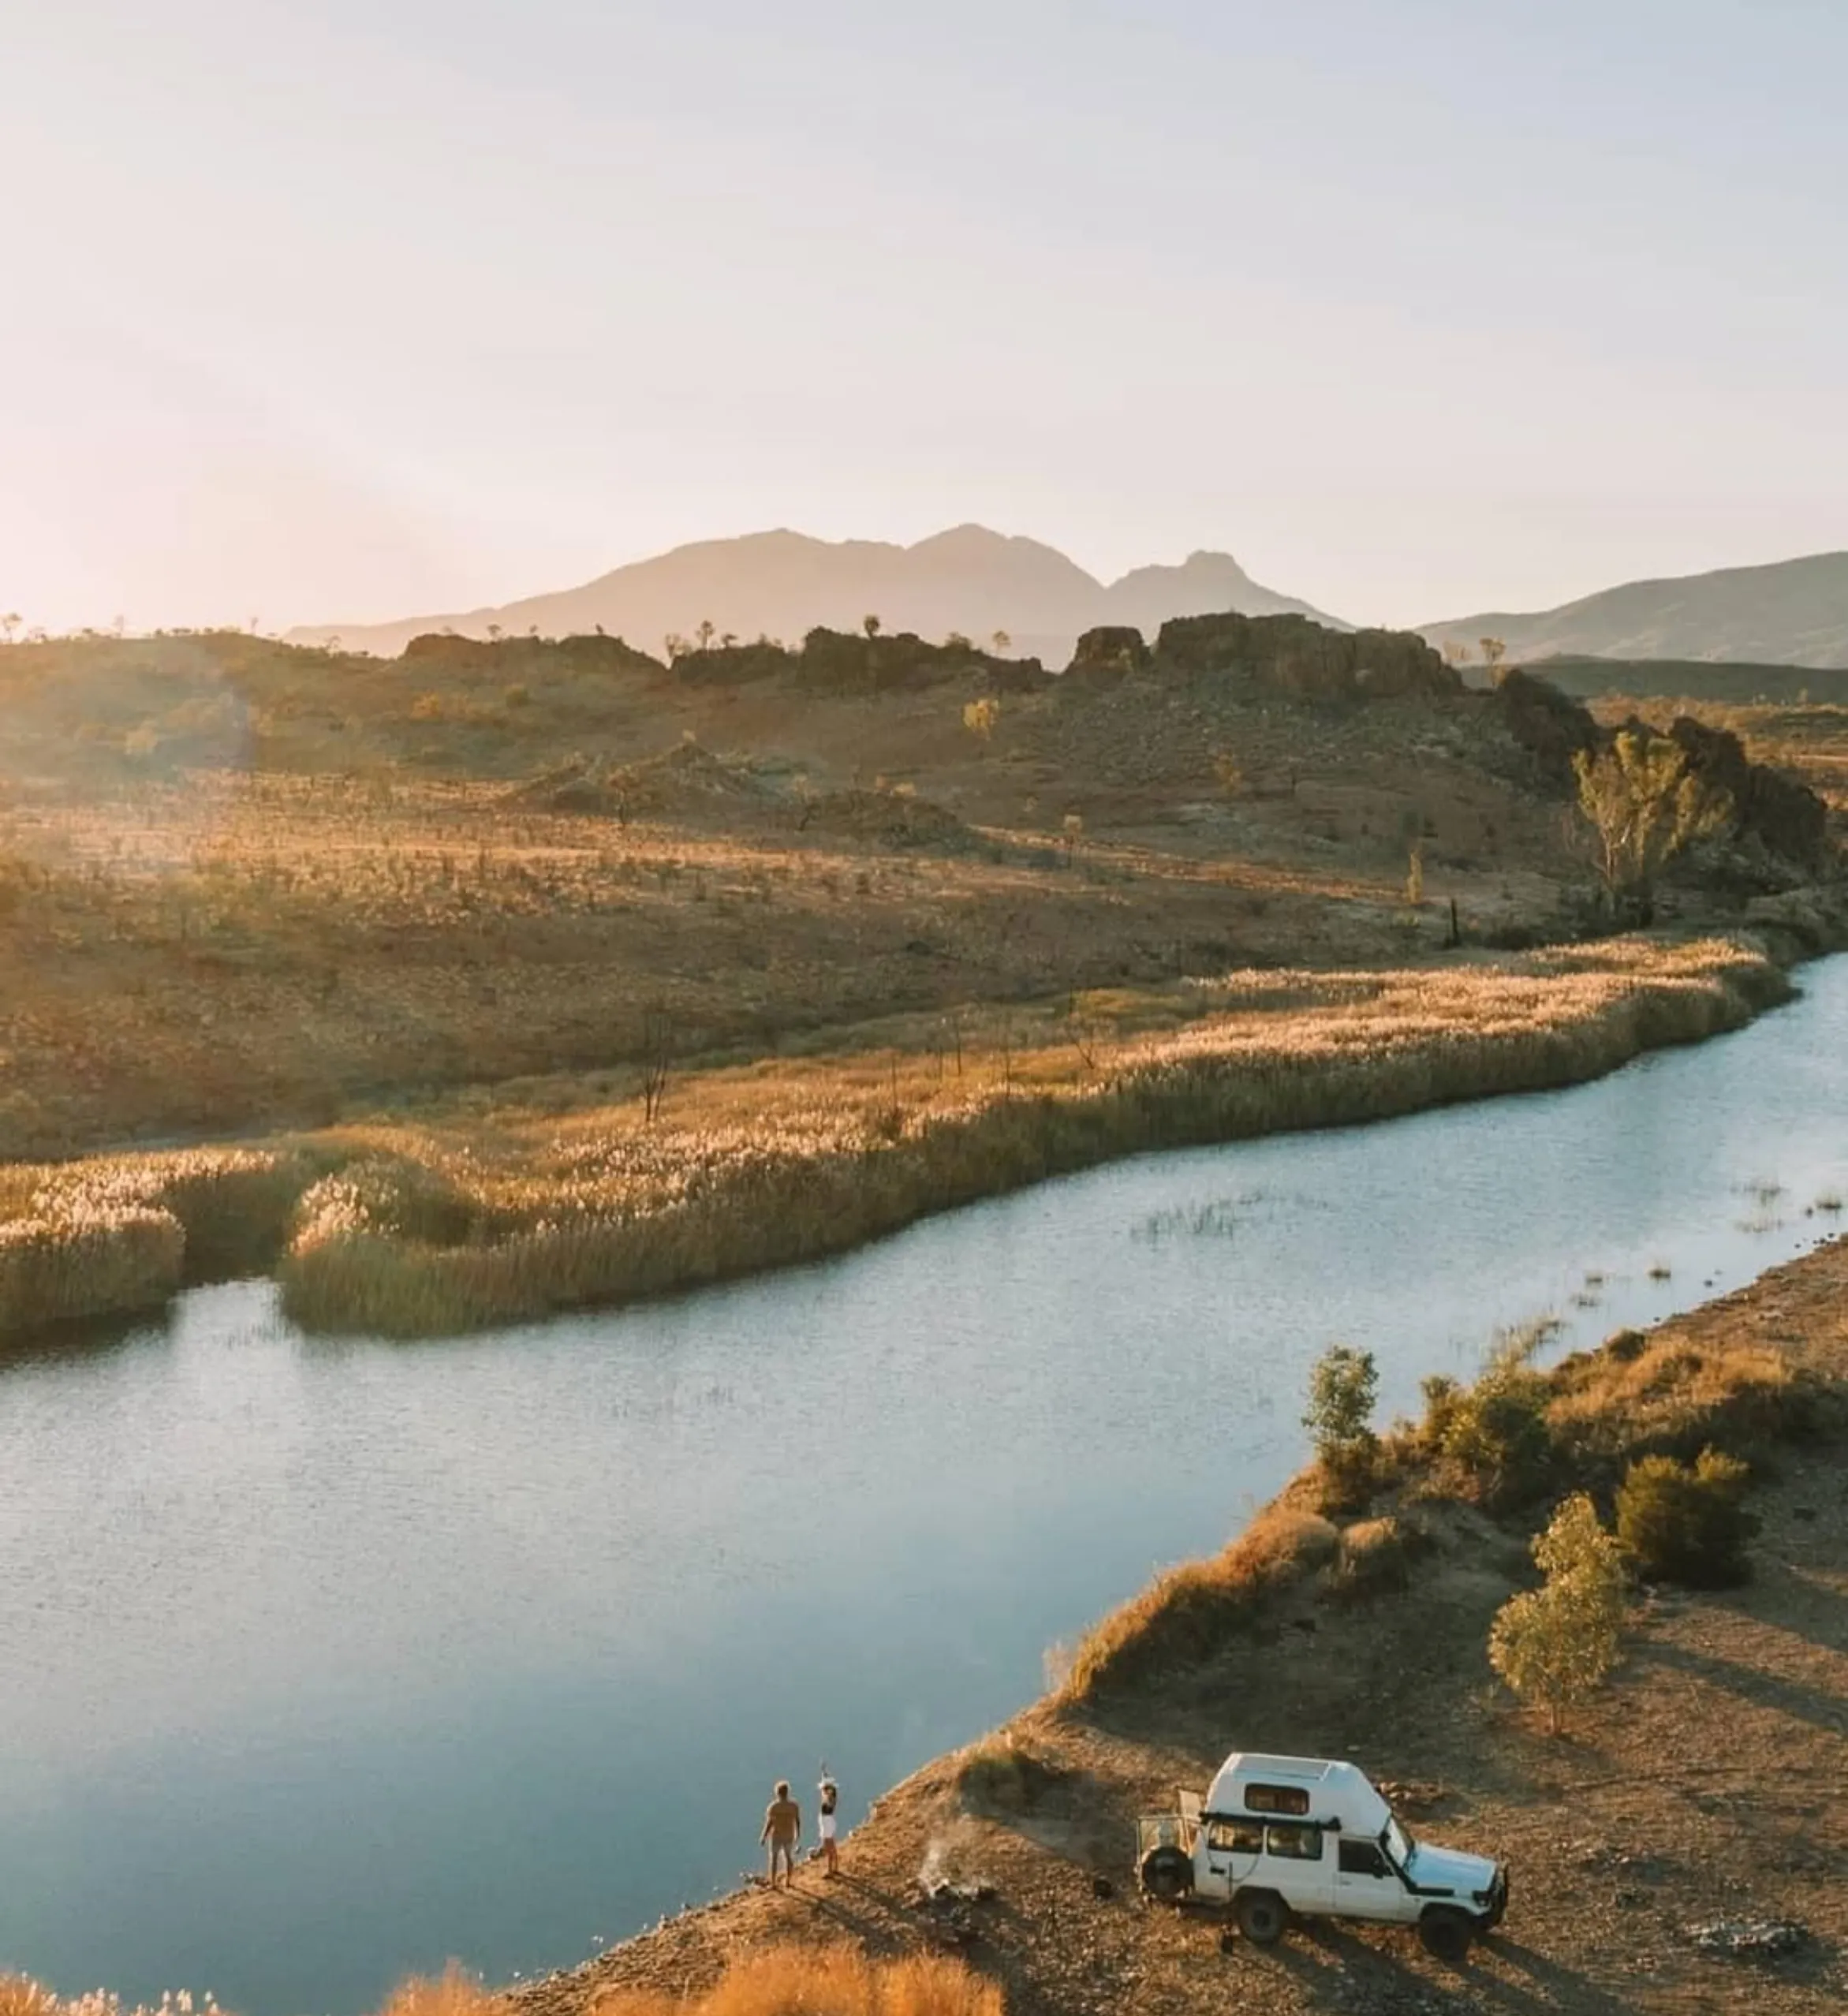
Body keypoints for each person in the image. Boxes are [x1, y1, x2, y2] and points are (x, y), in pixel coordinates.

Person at [760, 1779, 801, 1888]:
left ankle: (773, 1883)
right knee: (788, 1857)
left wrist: (764, 1836)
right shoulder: (794, 1806)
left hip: (776, 1835)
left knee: (774, 1858)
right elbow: (797, 1820)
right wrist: (798, 1833)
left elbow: (769, 1823)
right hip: (789, 1834)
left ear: (777, 1793)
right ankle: (788, 1881)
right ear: (787, 1792)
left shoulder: (773, 1807)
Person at [818, 1775, 840, 1879]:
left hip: (827, 1823)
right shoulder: (831, 1796)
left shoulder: (830, 1798)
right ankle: (835, 1867)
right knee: (832, 1845)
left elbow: (828, 1801)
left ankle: (830, 1870)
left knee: (828, 1847)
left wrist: (826, 1791)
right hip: (827, 1822)